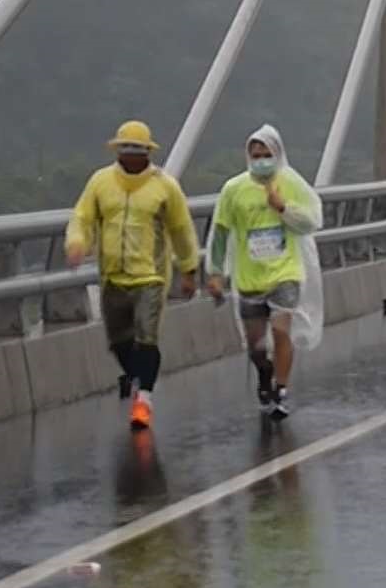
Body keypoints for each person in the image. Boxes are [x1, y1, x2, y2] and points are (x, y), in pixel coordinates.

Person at [65, 121, 200, 432]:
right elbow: (82, 217)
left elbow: (181, 230)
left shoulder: (165, 187)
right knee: (118, 342)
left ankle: (144, 399)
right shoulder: (101, 183)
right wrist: (77, 244)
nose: (131, 156)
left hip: (150, 277)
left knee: (146, 337)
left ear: (147, 153)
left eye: (137, 151)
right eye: (125, 150)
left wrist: (189, 269)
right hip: (112, 277)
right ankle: (136, 377)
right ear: (117, 151)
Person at [206, 125, 323, 420]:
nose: (261, 160)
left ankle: (281, 391)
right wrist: (215, 273)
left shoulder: (292, 183)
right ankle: (264, 373)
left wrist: (284, 207)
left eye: (266, 154)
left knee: (282, 331)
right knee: (256, 346)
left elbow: (312, 221)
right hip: (249, 279)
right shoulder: (234, 189)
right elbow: (220, 233)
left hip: (286, 274)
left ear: (278, 154)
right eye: (255, 155)